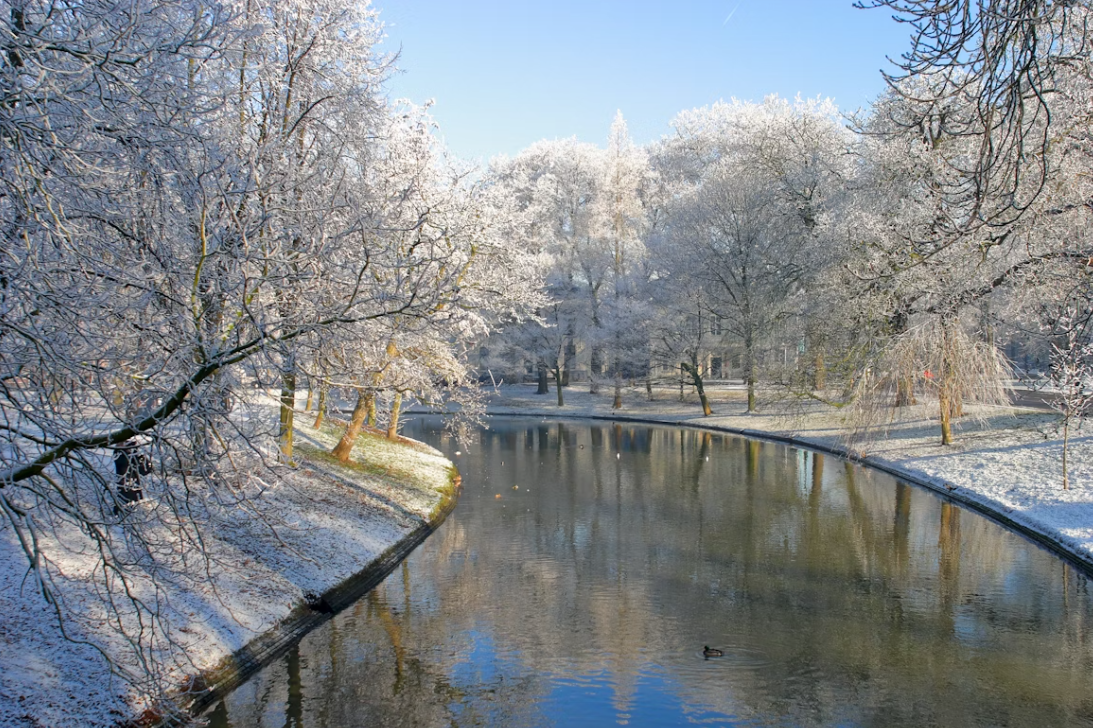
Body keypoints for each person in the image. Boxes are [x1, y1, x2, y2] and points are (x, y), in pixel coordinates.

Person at [112, 436, 152, 509]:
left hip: (133, 485)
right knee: (124, 502)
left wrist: (143, 460)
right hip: (124, 484)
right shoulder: (119, 454)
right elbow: (122, 463)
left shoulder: (134, 454)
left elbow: (145, 471)